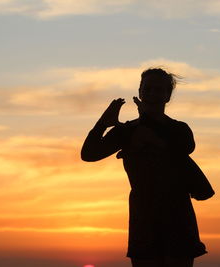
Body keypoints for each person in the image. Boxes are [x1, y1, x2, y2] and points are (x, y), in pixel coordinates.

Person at [81, 68, 207, 267]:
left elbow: (184, 148)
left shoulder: (179, 129)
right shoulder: (127, 131)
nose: (151, 94)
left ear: (168, 95)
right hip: (144, 214)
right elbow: (89, 154)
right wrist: (102, 123)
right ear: (139, 92)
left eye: (158, 90)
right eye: (147, 89)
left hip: (177, 214)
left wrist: (148, 123)